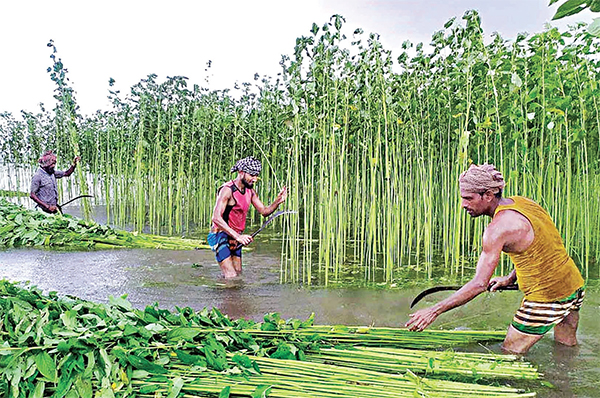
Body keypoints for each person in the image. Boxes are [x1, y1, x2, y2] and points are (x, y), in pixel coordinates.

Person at [406, 163, 585, 354]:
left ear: (488, 195)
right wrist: (510, 278)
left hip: (547, 297)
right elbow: (542, 248)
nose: (463, 205)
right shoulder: (525, 203)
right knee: (565, 351)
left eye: (468, 198)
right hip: (573, 285)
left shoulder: (496, 230)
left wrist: (433, 311)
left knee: (509, 353)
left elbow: (478, 284)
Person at [208, 156, 287, 278]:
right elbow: (216, 218)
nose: (255, 179)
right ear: (241, 172)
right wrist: (238, 236)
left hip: (236, 238)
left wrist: (278, 201)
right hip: (220, 235)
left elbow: (264, 211)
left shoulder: (250, 191)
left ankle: (228, 294)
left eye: (256, 175)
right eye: (252, 175)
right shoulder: (227, 190)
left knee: (238, 275)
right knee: (231, 276)